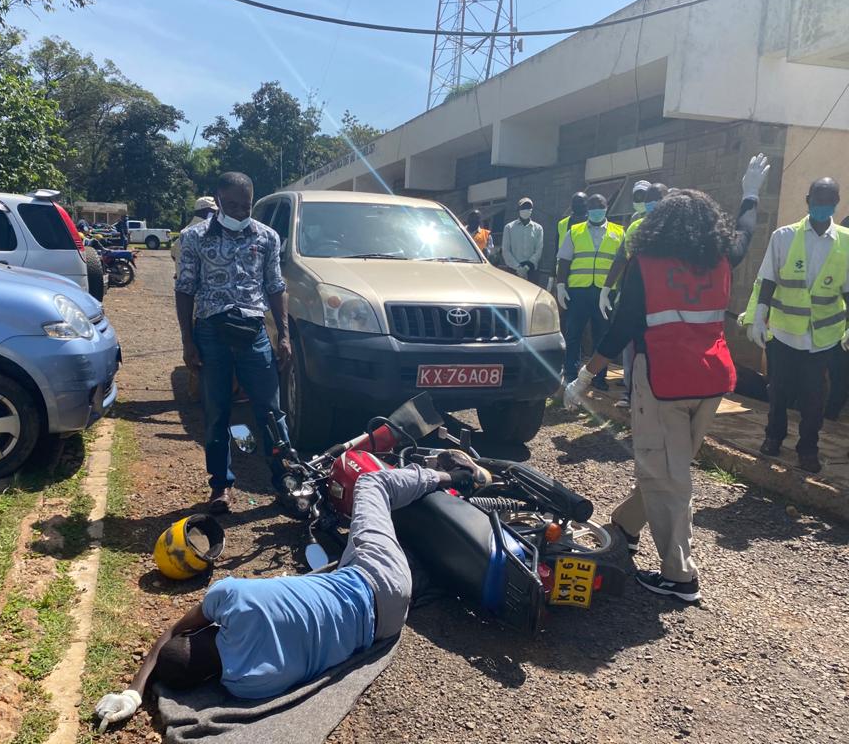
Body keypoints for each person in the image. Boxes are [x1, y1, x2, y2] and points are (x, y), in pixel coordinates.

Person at [93, 455, 490, 730]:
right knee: (372, 484)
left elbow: (180, 653)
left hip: (385, 625)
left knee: (348, 562)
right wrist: (133, 687)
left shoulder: (246, 687)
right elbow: (169, 637)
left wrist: (135, 697)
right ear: (199, 634)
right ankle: (451, 475)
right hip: (378, 577)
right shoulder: (232, 596)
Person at [564, 157, 768, 602]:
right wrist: (750, 191)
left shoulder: (645, 264)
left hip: (662, 382)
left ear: (663, 224)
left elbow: (619, 331)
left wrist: (584, 376)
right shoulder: (723, 255)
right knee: (672, 466)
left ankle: (680, 577)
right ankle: (625, 527)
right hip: (712, 379)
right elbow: (747, 230)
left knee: (666, 475)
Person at [175, 172, 292, 512]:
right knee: (217, 412)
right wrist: (188, 341)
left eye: (247, 205)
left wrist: (282, 335)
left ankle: (285, 479)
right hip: (211, 333)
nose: (241, 212)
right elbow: (184, 288)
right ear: (218, 200)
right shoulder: (194, 237)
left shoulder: (267, 237)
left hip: (252, 333)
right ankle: (220, 487)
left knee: (270, 411)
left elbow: (275, 286)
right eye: (234, 205)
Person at [747, 177, 849, 473]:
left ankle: (808, 449)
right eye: (818, 200)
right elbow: (768, 278)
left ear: (837, 202)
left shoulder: (845, 241)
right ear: (808, 200)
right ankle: (773, 438)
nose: (822, 206)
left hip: (821, 337)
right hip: (784, 331)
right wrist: (759, 314)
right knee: (778, 390)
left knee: (814, 397)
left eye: (829, 201)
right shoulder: (784, 236)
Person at [601, 181, 669, 408]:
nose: (649, 205)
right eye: (646, 200)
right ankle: (631, 394)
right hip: (637, 302)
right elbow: (622, 258)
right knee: (633, 352)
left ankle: (659, 397)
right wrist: (607, 289)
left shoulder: (678, 228)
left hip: (667, 305)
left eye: (655, 199)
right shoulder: (635, 226)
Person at [556, 194, 624, 389]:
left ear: (606, 207)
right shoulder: (575, 231)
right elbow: (565, 260)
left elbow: (623, 263)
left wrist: (619, 290)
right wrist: (560, 285)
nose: (596, 209)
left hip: (605, 293)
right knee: (573, 333)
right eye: (592, 206)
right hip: (578, 291)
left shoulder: (619, 232)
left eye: (600, 205)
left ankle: (598, 377)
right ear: (588, 209)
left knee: (602, 335)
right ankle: (570, 374)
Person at [501, 198, 544, 283]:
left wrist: (526, 267)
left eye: (528, 207)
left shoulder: (538, 228)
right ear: (518, 209)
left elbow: (539, 250)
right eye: (524, 207)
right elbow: (506, 250)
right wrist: (518, 268)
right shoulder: (509, 227)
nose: (526, 210)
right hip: (513, 271)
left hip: (531, 271)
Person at [173, 196, 218, 266]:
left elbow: (173, 253)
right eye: (215, 211)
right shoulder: (204, 232)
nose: (217, 214)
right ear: (206, 211)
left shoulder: (184, 232)